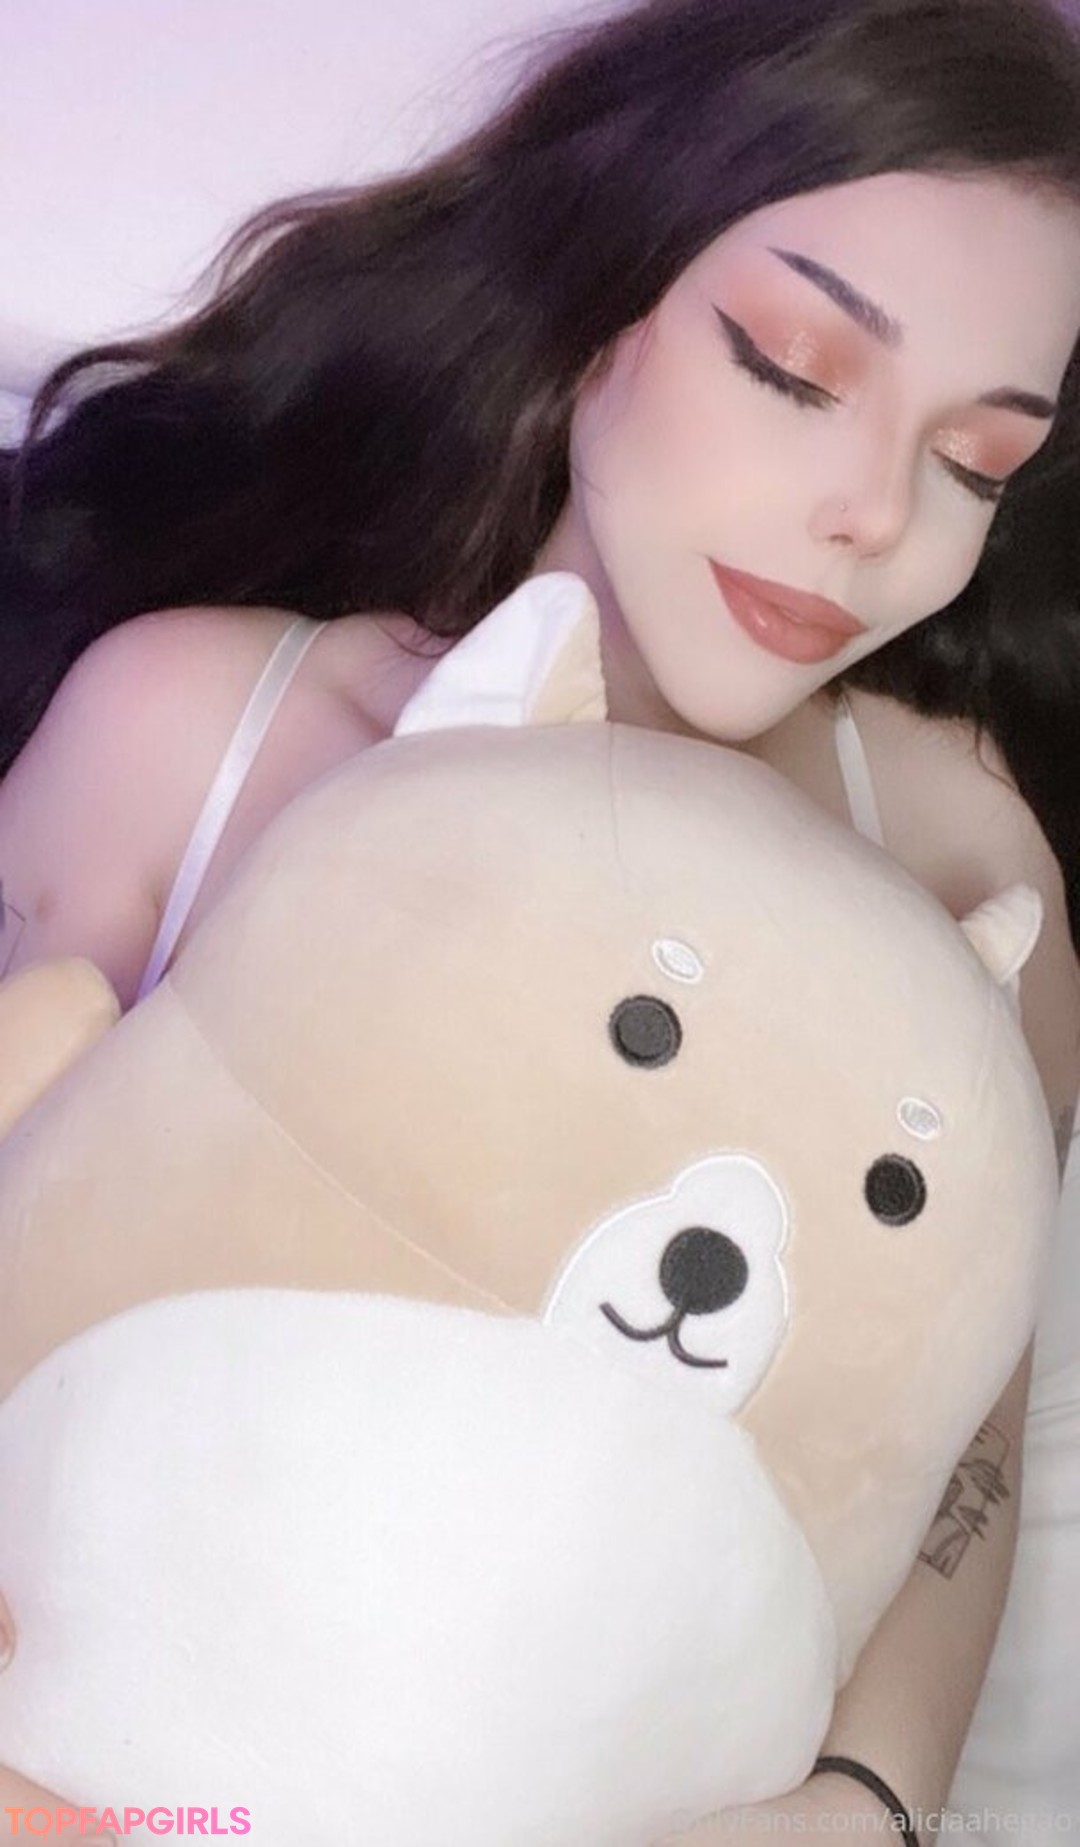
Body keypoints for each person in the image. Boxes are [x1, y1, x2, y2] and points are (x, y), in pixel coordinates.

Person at [1, 0, 1079, 1837]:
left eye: (977, 460)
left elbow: (959, 1422)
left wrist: (866, 1802)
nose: (872, 515)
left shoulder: (962, 855)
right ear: (602, 308)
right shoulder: (194, 727)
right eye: (795, 367)